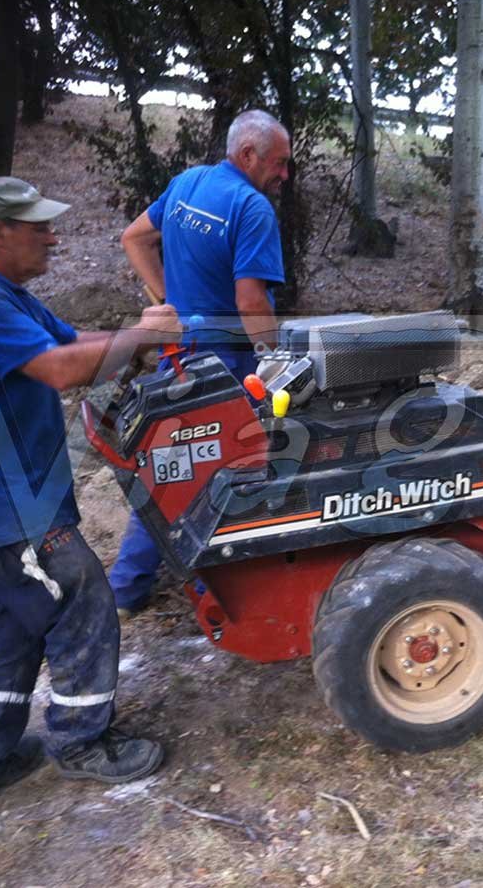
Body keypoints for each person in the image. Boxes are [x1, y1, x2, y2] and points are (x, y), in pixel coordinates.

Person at [0, 176, 181, 809]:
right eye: (38, 227)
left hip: (2, 507)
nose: (52, 237)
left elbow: (71, 345)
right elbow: (62, 370)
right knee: (82, 600)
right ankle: (83, 741)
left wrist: (136, 342)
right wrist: (142, 338)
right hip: (10, 510)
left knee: (9, 632)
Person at [108, 109, 291, 618]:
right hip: (226, 360)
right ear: (248, 155)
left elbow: (135, 237)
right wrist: (277, 362)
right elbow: (252, 303)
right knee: (224, 467)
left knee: (174, 464)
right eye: (278, 163)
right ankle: (185, 587)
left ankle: (132, 584)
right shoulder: (251, 208)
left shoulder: (190, 183)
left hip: (181, 354)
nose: (283, 174)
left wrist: (171, 301)